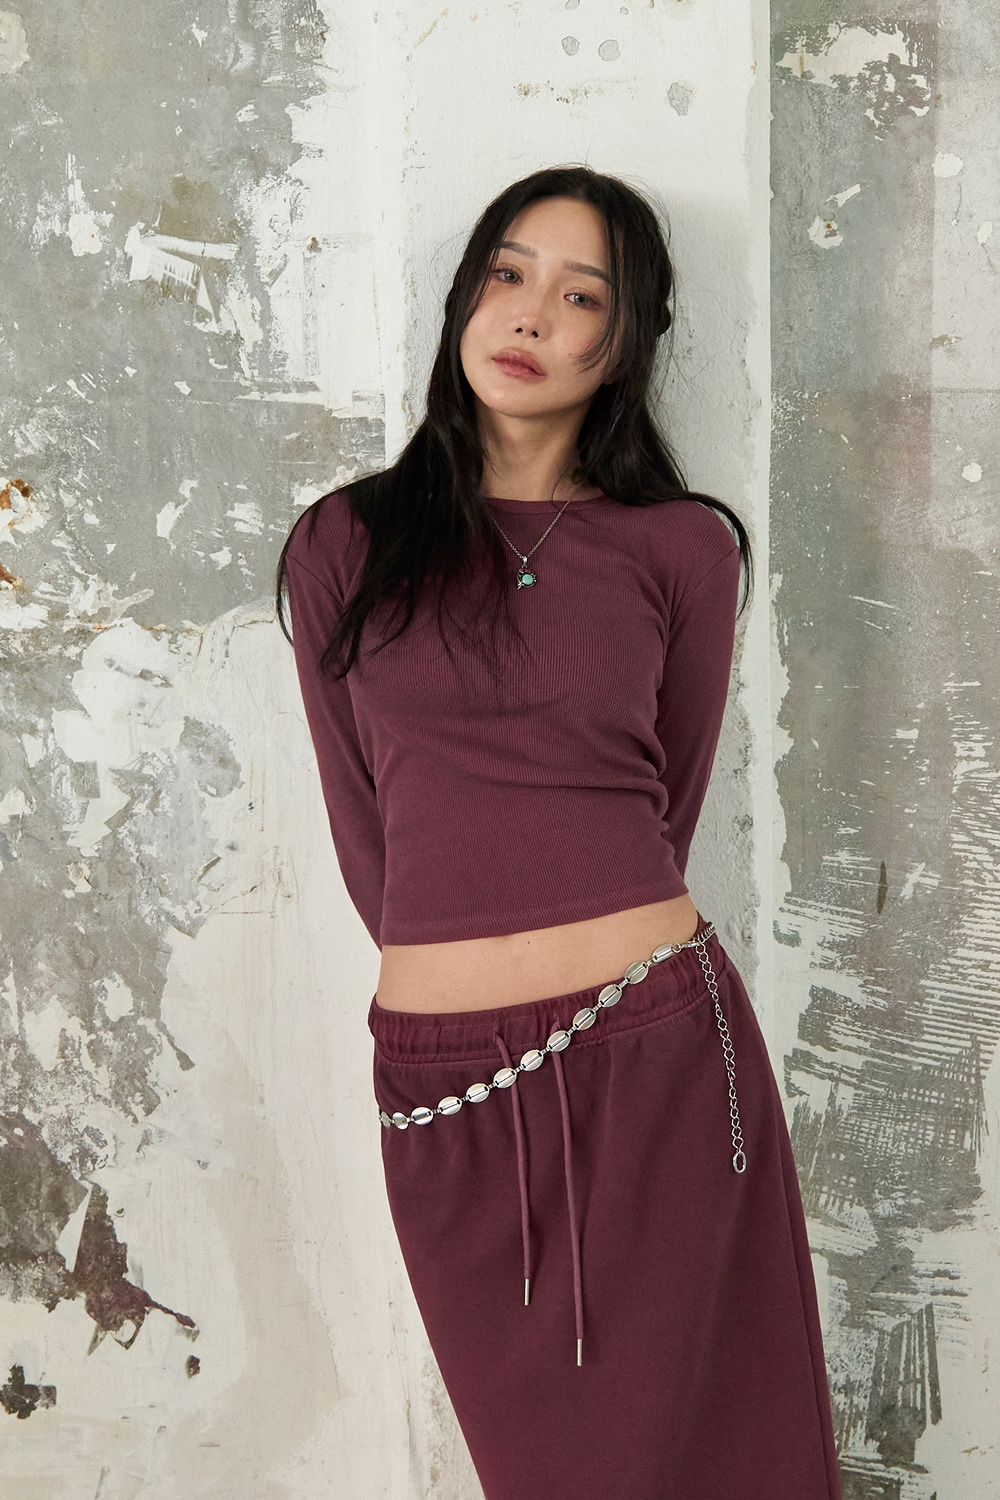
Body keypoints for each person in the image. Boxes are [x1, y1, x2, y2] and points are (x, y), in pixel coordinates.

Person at [276, 165, 841, 1500]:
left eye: (583, 295)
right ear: (466, 296)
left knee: (725, 1452)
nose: (531, 313)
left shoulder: (682, 548)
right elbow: (369, 833)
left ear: (624, 342)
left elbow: (665, 802)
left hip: (660, 1052)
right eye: (508, 273)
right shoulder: (345, 543)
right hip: (447, 1083)